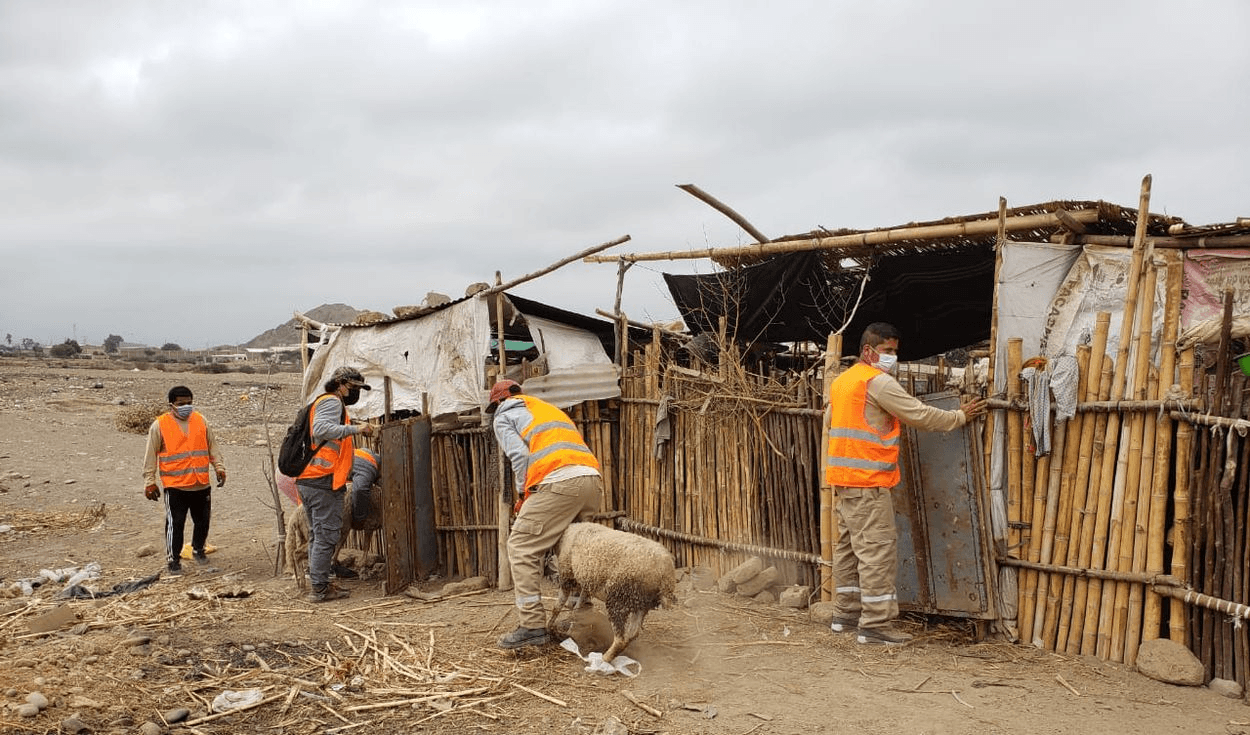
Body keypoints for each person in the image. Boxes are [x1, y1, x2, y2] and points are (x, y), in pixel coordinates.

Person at [825, 322, 987, 645]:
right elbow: (918, 414)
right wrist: (958, 417)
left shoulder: (843, 382)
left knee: (849, 552)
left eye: (895, 351)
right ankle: (875, 624)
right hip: (869, 484)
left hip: (844, 483)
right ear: (868, 351)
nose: (892, 357)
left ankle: (845, 615)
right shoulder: (877, 382)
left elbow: (830, 420)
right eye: (887, 351)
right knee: (877, 554)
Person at [488, 378, 603, 650]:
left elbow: (520, 457)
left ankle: (532, 626)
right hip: (592, 481)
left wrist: (523, 494)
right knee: (572, 549)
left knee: (521, 546)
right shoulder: (547, 410)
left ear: (499, 401)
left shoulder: (503, 415)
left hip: (559, 482)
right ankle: (583, 617)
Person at [296, 366, 375, 602]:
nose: (355, 393)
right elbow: (321, 429)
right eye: (353, 388)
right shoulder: (332, 402)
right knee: (326, 536)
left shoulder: (327, 403)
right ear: (341, 384)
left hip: (311, 479)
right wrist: (356, 428)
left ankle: (319, 582)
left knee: (317, 535)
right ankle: (320, 589)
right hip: (322, 480)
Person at [143, 385, 227, 576]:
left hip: (201, 483)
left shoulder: (201, 420)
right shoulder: (159, 425)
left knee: (203, 521)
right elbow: (150, 456)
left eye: (189, 403)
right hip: (176, 486)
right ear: (171, 404)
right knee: (176, 524)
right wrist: (149, 481)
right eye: (181, 404)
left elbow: (212, 447)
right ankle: (173, 560)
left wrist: (219, 468)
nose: (186, 407)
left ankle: (199, 549)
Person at [349, 447, 380, 526]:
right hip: (362, 453)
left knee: (360, 490)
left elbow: (360, 490)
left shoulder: (364, 470)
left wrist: (359, 520)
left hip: (365, 462)